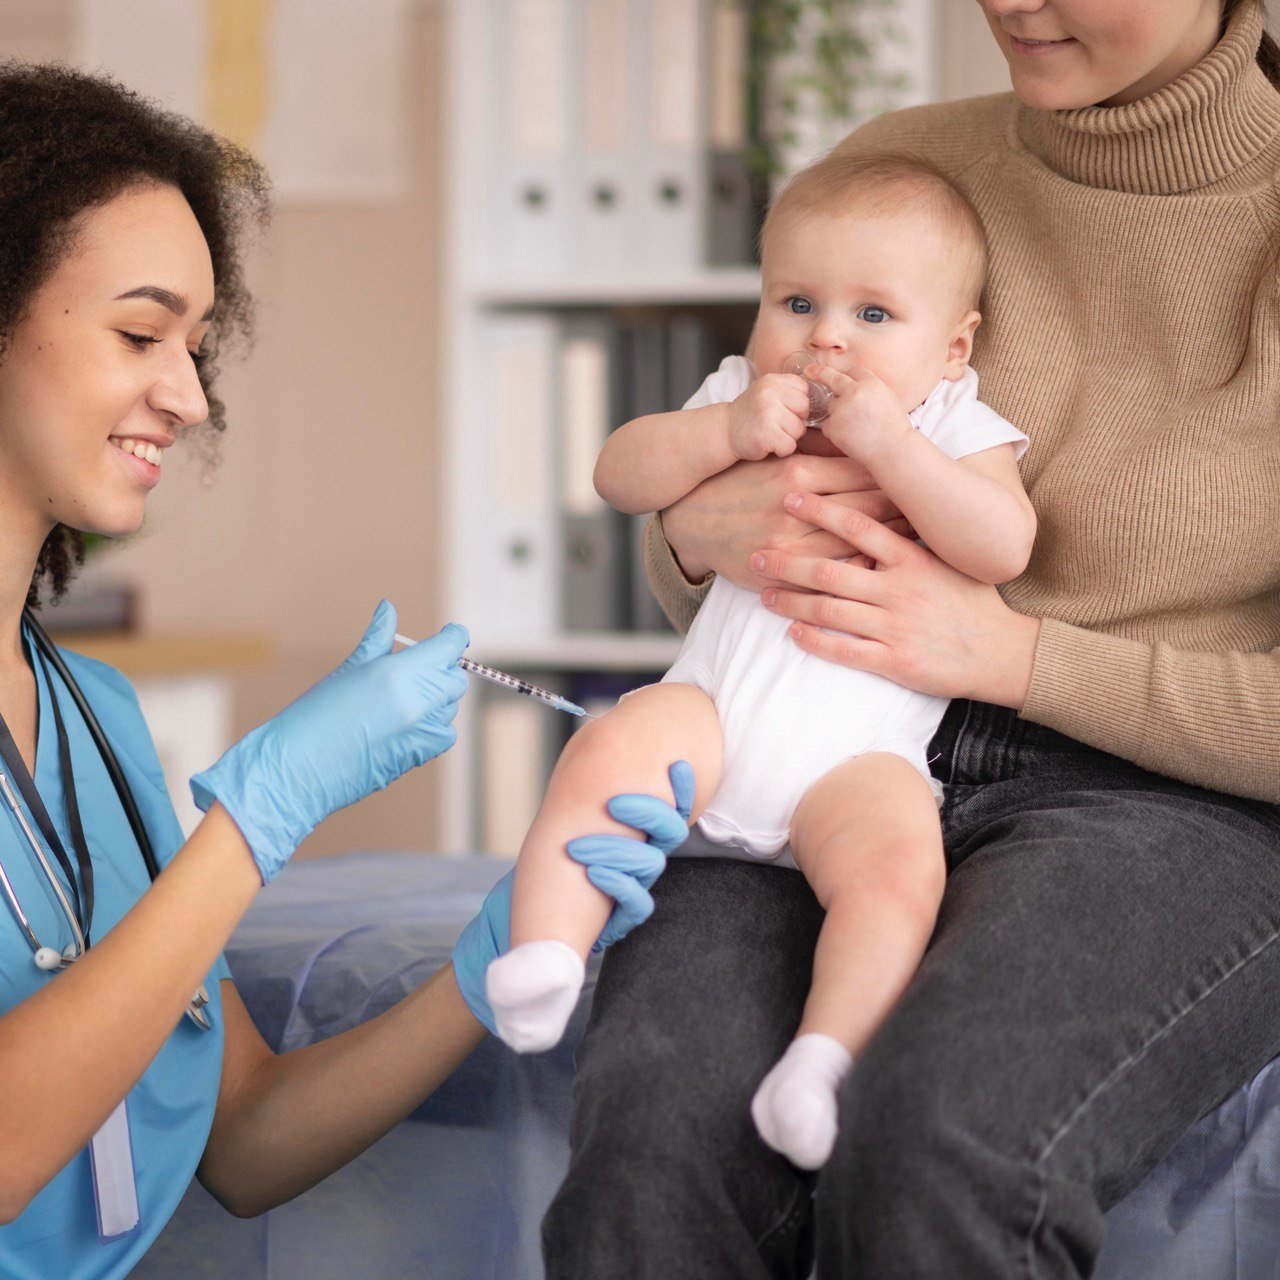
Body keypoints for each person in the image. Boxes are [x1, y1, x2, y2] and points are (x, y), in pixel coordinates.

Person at [542, 0, 1280, 1276]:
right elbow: (721, 519)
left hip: (1169, 800)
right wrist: (705, 532)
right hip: (828, 731)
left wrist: (1010, 656)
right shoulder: (908, 170)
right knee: (655, 1137)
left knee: (941, 1133)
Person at [0, 62, 691, 1280]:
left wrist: (493, 957)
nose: (189, 396)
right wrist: (253, 824)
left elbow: (246, 1135)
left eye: (198, 346)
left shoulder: (93, 720)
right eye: (140, 332)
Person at [484, 152, 1033, 1175]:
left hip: (854, 764)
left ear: (951, 347)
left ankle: (819, 1063)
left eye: (873, 315)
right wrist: (723, 430)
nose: (824, 334)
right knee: (613, 743)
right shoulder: (741, 390)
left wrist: (894, 450)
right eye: (794, 300)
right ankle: (546, 952)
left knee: (898, 877)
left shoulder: (950, 423)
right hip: (712, 721)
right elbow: (615, 471)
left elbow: (1001, 545)